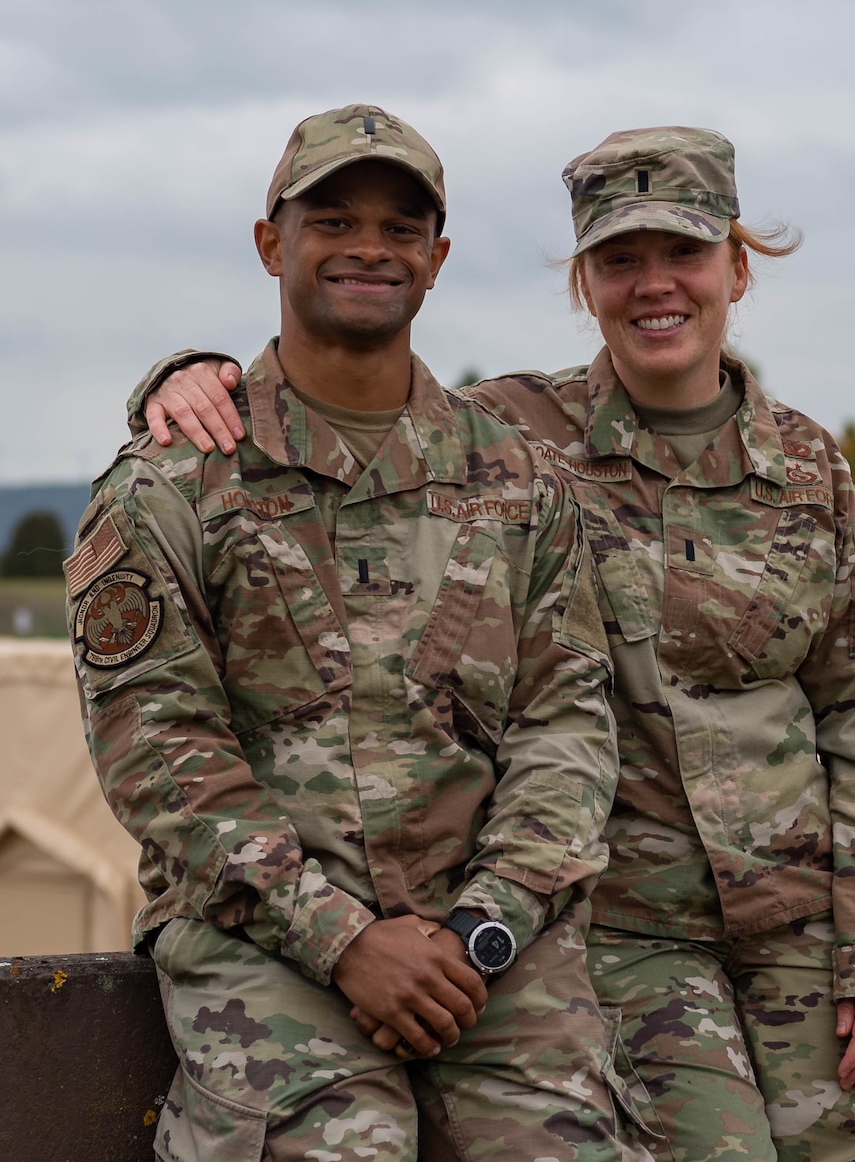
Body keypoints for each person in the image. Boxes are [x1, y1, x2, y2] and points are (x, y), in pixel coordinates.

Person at [131, 126, 855, 1162]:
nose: (652, 286)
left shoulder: (807, 473)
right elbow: (344, 399)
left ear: (736, 267)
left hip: (809, 920)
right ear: (584, 283)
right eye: (618, 260)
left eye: (684, 254)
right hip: (630, 929)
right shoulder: (514, 444)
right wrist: (185, 378)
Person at [69, 104, 651, 1162]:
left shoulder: (516, 481)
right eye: (331, 219)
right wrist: (340, 937)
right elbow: (160, 752)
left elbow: (566, 728)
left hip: (489, 945)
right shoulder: (172, 484)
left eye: (397, 226)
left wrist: (487, 923)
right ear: (270, 244)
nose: (367, 248)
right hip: (265, 940)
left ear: (434, 257)